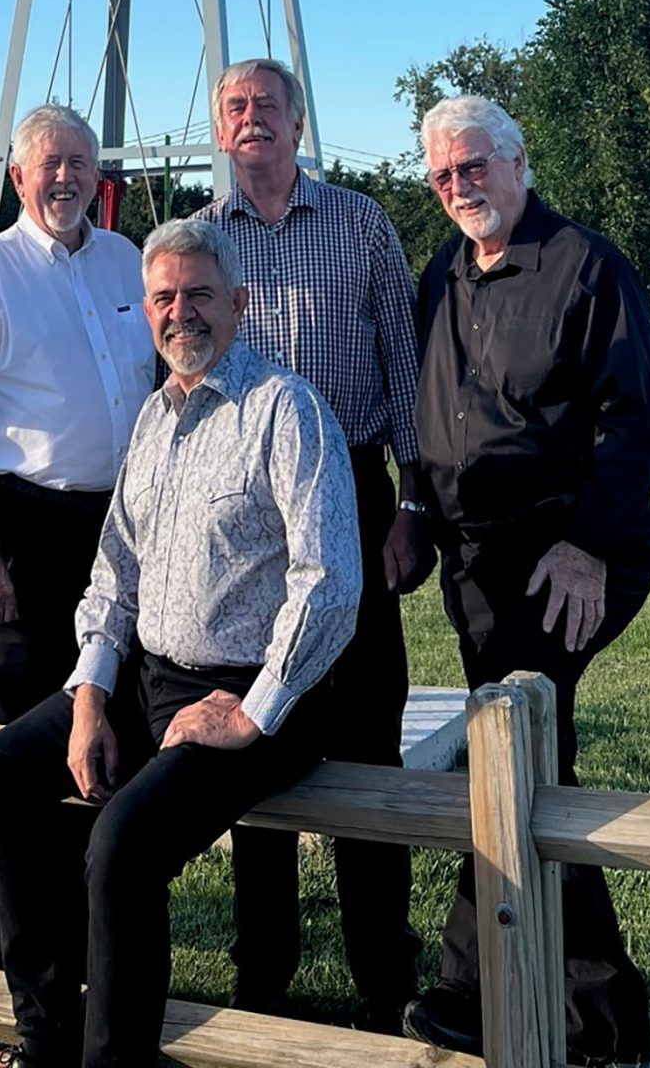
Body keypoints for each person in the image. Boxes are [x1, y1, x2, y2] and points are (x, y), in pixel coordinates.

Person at [0, 217, 361, 1068]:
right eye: (165, 298)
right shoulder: (151, 420)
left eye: (201, 294)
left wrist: (253, 714)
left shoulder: (285, 411)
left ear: (239, 304)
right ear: (146, 311)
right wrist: (89, 698)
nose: (183, 314)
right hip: (148, 680)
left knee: (122, 842)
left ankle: (117, 1060)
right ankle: (48, 1033)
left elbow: (328, 584)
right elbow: (116, 571)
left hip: (253, 695)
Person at [402, 96, 650, 1068]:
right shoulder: (445, 270)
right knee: (513, 759)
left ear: (518, 162)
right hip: (474, 560)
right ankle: (490, 988)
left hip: (566, 555)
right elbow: (431, 405)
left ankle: (583, 1014)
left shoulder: (586, 266)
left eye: (473, 166)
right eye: (442, 175)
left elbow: (631, 418)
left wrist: (590, 544)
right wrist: (416, 511)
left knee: (520, 756)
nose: (460, 186)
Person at [203, 55, 431, 1028]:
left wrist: (413, 503)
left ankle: (387, 976)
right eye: (236, 107)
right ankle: (266, 981)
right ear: (221, 129)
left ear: (300, 122)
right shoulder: (198, 242)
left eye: (268, 105)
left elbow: (407, 365)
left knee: (367, 734)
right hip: (248, 520)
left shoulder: (360, 223)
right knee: (255, 730)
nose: (253, 120)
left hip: (357, 491)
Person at [0, 103, 157, 968]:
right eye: (48, 163)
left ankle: (89, 961)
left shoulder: (129, 263)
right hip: (22, 537)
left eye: (79, 163)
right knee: (3, 759)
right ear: (18, 177)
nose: (65, 177)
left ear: (101, 176)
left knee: (102, 749)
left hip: (119, 536)